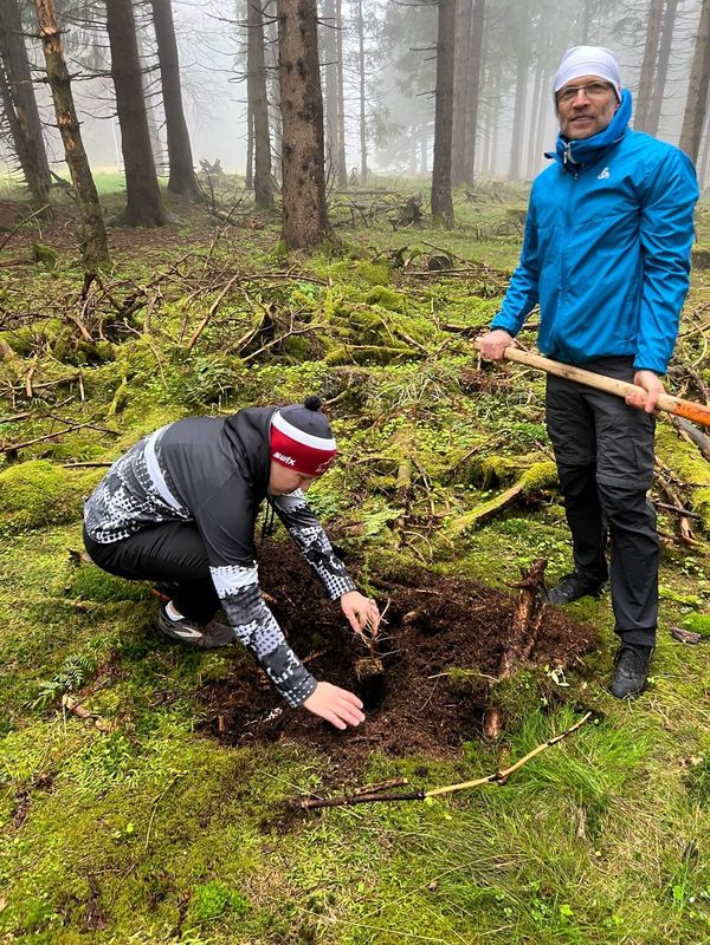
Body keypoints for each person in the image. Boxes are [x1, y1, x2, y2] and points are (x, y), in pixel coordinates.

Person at [478, 46, 699, 698]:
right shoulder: (550, 183)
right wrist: (503, 324)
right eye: (567, 92)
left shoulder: (656, 167)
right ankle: (587, 571)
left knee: (625, 497)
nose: (579, 100)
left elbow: (666, 272)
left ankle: (636, 639)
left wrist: (652, 364)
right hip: (560, 361)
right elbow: (531, 268)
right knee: (576, 476)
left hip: (622, 368)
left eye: (593, 87)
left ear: (617, 95)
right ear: (557, 105)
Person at [83, 396, 380, 730]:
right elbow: (241, 601)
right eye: (301, 476)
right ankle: (180, 618)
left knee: (232, 549)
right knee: (226, 563)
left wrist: (344, 589)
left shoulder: (255, 442)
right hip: (115, 536)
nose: (306, 486)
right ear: (279, 458)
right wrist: (303, 687)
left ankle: (172, 569)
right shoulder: (226, 485)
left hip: (155, 512)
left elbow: (300, 519)